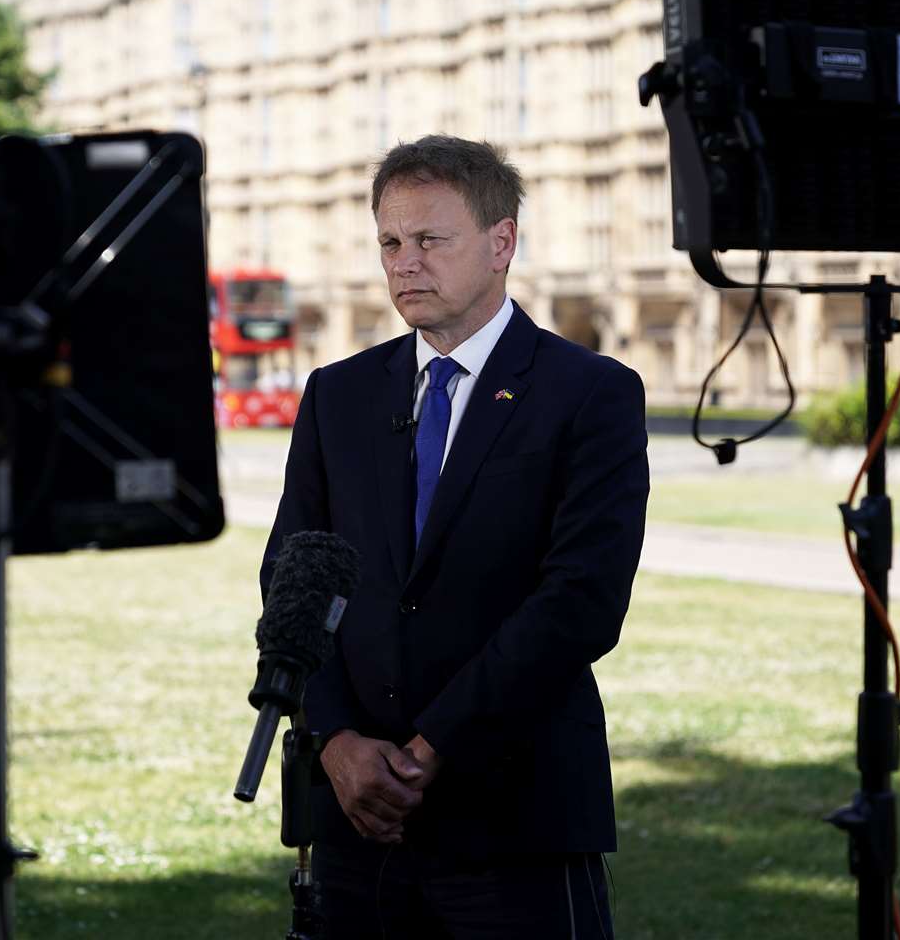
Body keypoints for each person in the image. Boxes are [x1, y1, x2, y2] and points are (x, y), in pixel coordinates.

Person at [259, 135, 648, 937]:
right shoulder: (338, 395)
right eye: (391, 243)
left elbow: (583, 601)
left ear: (501, 242)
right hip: (354, 823)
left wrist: (431, 748)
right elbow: (291, 580)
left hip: (516, 819)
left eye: (430, 240)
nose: (405, 263)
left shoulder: (592, 394)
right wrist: (334, 743)